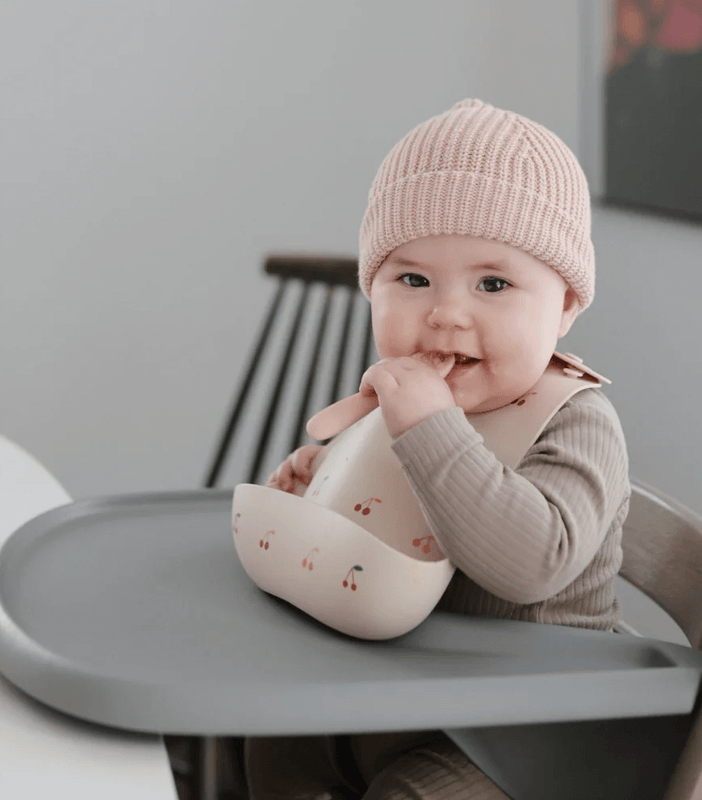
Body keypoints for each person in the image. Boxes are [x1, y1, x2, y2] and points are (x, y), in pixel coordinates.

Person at [247, 98, 631, 800]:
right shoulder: (401, 404)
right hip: (407, 691)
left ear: (567, 304)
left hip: (534, 727)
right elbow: (389, 532)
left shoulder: (576, 421)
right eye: (413, 279)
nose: (446, 312)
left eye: (493, 284)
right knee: (266, 736)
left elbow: (529, 564)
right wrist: (320, 495)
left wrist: (426, 428)